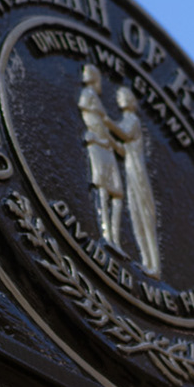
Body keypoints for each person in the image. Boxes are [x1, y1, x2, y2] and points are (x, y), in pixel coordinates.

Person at [111, 84, 161, 277]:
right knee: (135, 217)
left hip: (138, 173)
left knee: (145, 217)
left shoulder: (132, 120)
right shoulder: (126, 119)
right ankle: (147, 262)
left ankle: (155, 266)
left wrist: (103, 119)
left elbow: (124, 134)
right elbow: (124, 150)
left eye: (123, 95)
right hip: (130, 170)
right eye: (119, 96)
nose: (120, 99)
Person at [77, 65, 126, 256]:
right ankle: (107, 236)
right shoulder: (88, 96)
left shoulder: (94, 98)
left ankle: (114, 239)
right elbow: (94, 123)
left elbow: (103, 125)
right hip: (97, 145)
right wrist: (105, 141)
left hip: (105, 146)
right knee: (103, 189)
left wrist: (114, 145)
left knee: (117, 194)